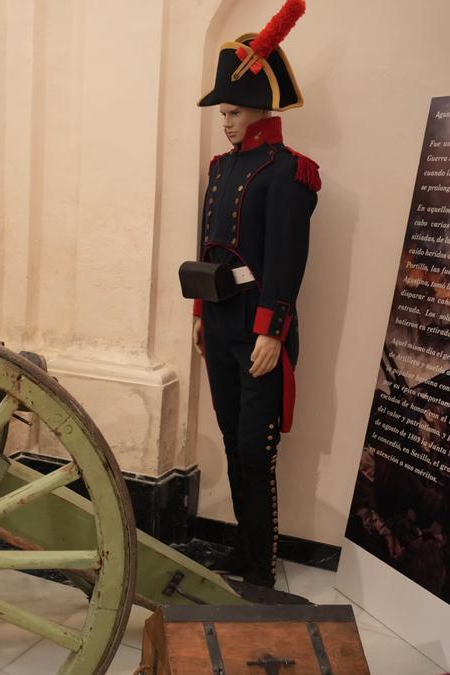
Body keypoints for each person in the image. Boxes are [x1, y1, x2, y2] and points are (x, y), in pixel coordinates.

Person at [186, 0, 320, 588]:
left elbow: (288, 261)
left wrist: (272, 329)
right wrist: (199, 310)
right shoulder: (221, 168)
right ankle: (242, 552)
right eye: (223, 113)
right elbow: (210, 245)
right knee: (230, 439)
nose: (227, 122)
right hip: (218, 321)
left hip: (258, 329)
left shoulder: (289, 172)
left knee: (254, 448)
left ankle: (260, 565)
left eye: (235, 111)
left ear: (263, 108)